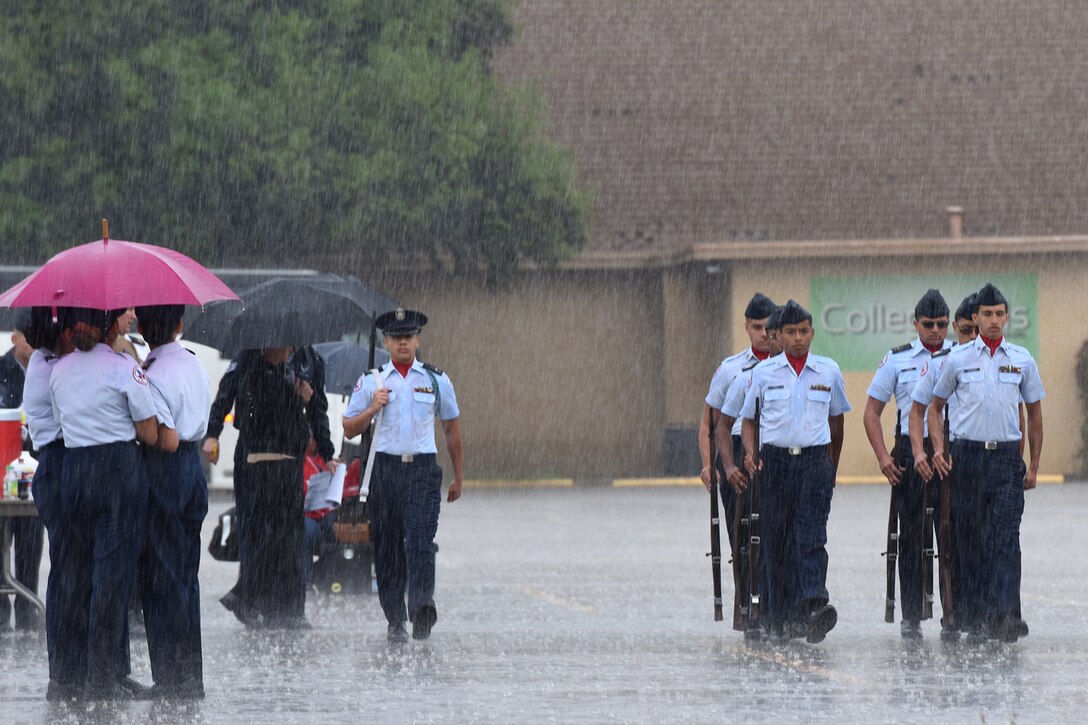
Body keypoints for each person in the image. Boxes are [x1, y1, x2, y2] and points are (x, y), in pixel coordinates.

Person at [49, 307, 159, 699]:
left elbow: (63, 419)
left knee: (76, 577)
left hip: (75, 472)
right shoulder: (122, 368)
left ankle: (68, 676)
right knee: (111, 581)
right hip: (117, 474)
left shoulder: (59, 370)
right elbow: (148, 432)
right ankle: (102, 678)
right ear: (111, 324)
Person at [926, 283, 1044, 643]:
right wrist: (938, 450)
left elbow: (1035, 414)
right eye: (986, 315)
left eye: (999, 314)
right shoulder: (957, 359)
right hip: (968, 459)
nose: (993, 321)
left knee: (1006, 538)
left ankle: (1006, 614)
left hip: (1007, 460)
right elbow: (934, 408)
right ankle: (975, 613)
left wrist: (1034, 464)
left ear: (1007, 317)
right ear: (975, 318)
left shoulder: (1022, 359)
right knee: (971, 540)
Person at [343, 308, 463, 643]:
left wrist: (458, 476)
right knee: (388, 548)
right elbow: (349, 428)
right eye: (396, 338)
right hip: (385, 471)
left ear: (418, 340)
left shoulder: (436, 380)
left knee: (421, 541)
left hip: (422, 470)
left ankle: (422, 605)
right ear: (386, 342)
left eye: (408, 337)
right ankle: (395, 616)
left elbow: (452, 427)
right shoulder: (372, 381)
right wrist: (372, 408)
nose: (403, 343)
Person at [739, 300, 850, 644]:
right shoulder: (763, 374)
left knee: (811, 536)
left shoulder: (828, 370)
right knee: (777, 541)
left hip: (814, 462)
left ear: (812, 333)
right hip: (775, 464)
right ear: (779, 335)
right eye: (791, 332)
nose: (798, 338)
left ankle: (814, 605)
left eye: (804, 331)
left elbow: (837, 420)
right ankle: (779, 615)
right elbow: (747, 421)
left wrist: (831, 464)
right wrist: (750, 454)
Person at [862, 289, 953, 639]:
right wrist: (884, 457)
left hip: (946, 449)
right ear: (915, 324)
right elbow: (872, 412)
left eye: (942, 324)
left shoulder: (958, 356)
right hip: (909, 452)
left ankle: (953, 612)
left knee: (949, 535)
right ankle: (912, 615)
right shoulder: (897, 360)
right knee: (912, 536)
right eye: (928, 324)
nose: (935, 330)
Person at [136, 304, 211, 698]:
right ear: (180, 325)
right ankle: (190, 677)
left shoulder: (149, 376)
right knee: (186, 576)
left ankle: (168, 678)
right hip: (193, 470)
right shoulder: (195, 364)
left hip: (163, 470)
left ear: (144, 328)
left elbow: (160, 436)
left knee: (160, 578)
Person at [720, 305, 800, 638]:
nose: (765, 335)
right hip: (748, 452)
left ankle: (782, 609)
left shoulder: (803, 373)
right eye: (759, 328)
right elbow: (719, 422)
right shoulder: (738, 372)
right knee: (746, 538)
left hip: (782, 456)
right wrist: (726, 465)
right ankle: (751, 608)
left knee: (787, 538)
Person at [233, 346, 312, 628]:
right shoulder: (259, 376)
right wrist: (300, 399)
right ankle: (251, 599)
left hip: (282, 466)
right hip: (270, 467)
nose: (290, 351)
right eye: (285, 346)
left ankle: (272, 603)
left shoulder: (278, 375)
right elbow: (286, 425)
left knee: (280, 539)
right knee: (272, 538)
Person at [698, 293, 776, 565]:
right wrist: (710, 465)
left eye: (768, 326)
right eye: (757, 327)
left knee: (776, 537)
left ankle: (774, 602)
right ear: (746, 327)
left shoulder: (788, 369)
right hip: (735, 451)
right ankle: (744, 602)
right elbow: (709, 423)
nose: (764, 334)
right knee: (740, 539)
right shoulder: (730, 370)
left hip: (774, 450)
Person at [0, 310, 45, 633]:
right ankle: (1, 612)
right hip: (4, 474)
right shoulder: (2, 370)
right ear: (15, 338)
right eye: (29, 337)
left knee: (30, 548)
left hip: (36, 476)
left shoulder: (47, 369)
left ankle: (28, 610)